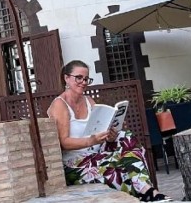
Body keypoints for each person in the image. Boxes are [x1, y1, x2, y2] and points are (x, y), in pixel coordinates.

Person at [47, 60, 170, 201]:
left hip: (95, 153)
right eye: (79, 77)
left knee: (126, 137)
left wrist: (110, 136)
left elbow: (98, 129)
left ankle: (147, 191)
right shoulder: (60, 104)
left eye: (86, 78)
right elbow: (63, 143)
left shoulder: (88, 101)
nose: (83, 82)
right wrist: (91, 140)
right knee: (121, 163)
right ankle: (148, 193)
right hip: (75, 163)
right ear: (66, 78)